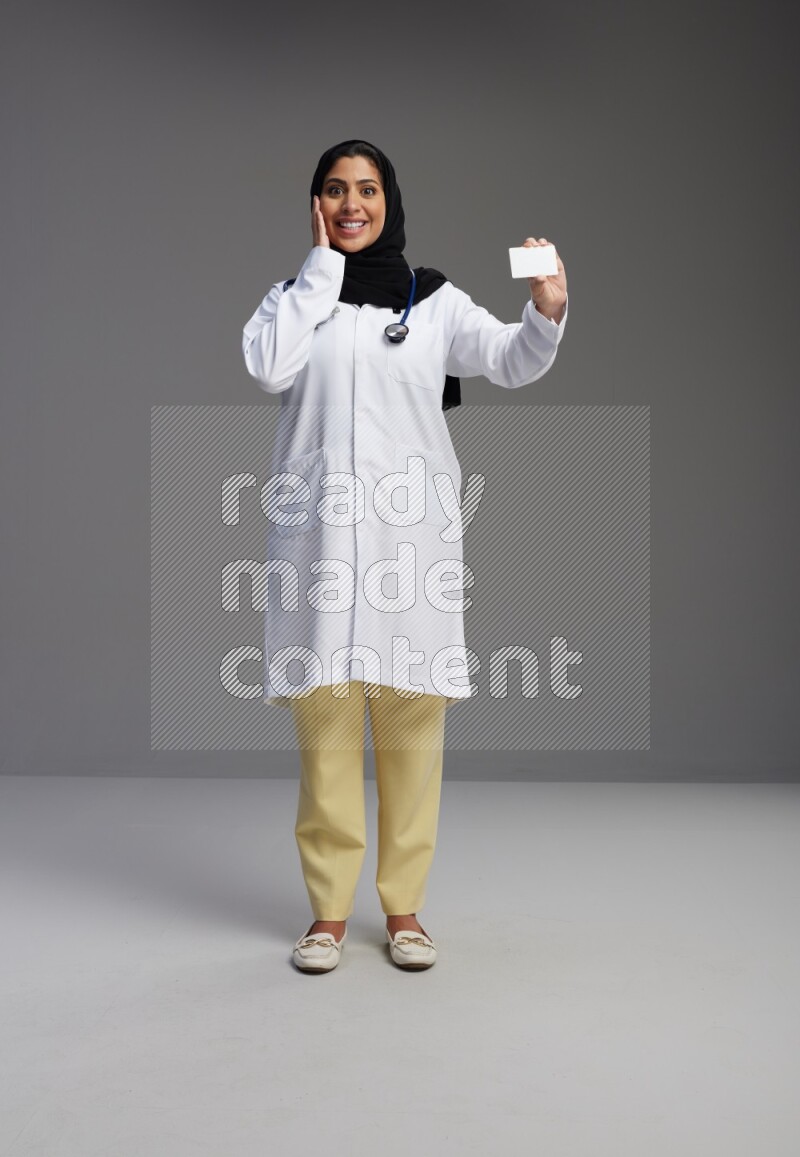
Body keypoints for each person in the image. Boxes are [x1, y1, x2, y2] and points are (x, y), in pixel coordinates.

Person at [242, 139, 568, 972]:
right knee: (325, 735)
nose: (353, 204)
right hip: (320, 549)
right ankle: (326, 915)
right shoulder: (289, 303)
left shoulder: (433, 301)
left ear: (391, 201)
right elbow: (267, 367)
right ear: (315, 203)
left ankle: (404, 908)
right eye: (335, 190)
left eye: (368, 190)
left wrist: (546, 310)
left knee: (413, 736)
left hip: (407, 550)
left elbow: (510, 360)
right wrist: (318, 270)